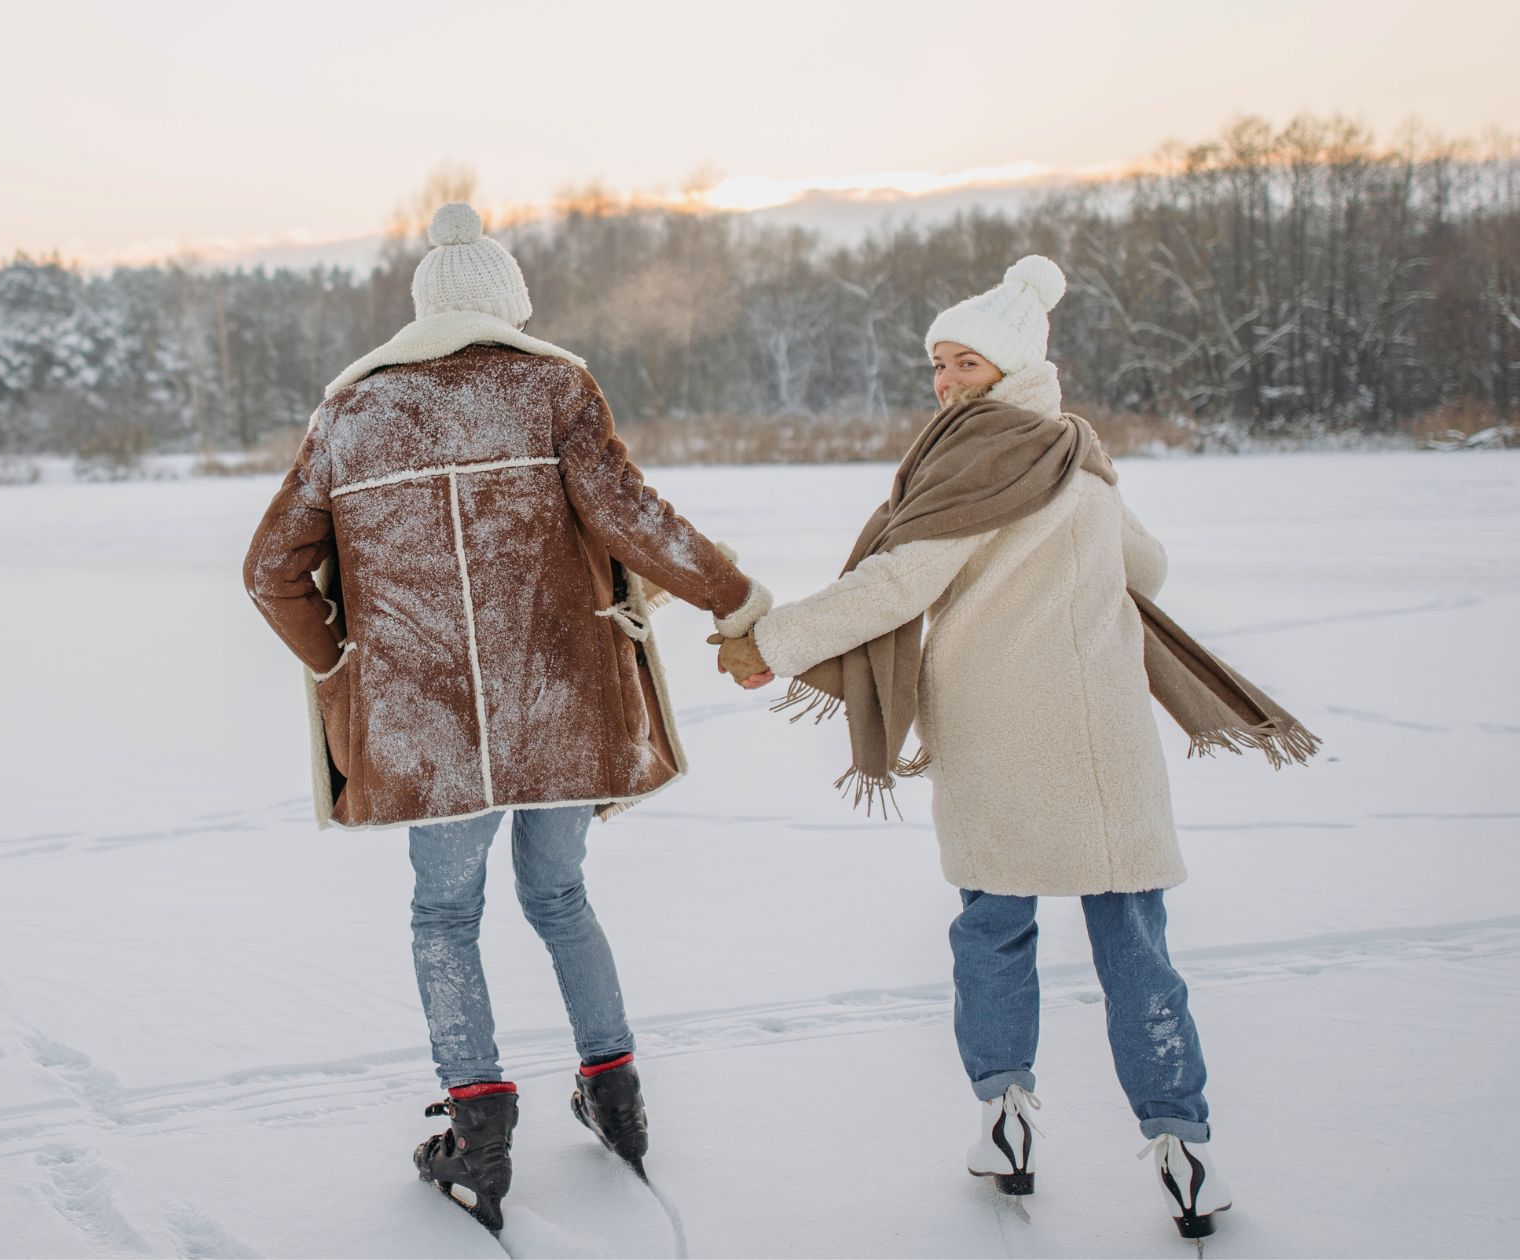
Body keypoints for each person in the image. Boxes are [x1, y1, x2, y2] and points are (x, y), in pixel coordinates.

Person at [714, 256, 1317, 1241]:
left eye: (963, 364)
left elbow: (897, 583)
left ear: (1008, 368)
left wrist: (770, 645)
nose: (944, 382)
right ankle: (1183, 1151)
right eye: (937, 365)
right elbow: (1148, 570)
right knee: (1133, 948)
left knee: (993, 933)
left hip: (1001, 740)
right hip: (1105, 743)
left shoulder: (976, 460)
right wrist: (1093, 513)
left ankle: (1004, 1120)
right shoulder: (1071, 452)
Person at [243, 202, 770, 1232]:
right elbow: (633, 520)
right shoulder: (552, 389)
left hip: (422, 725)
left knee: (444, 915)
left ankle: (477, 1132)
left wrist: (338, 659)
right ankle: (614, 1096)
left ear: (422, 309)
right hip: (559, 704)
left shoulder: (349, 416)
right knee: (559, 894)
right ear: (509, 304)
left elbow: (269, 571)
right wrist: (731, 597)